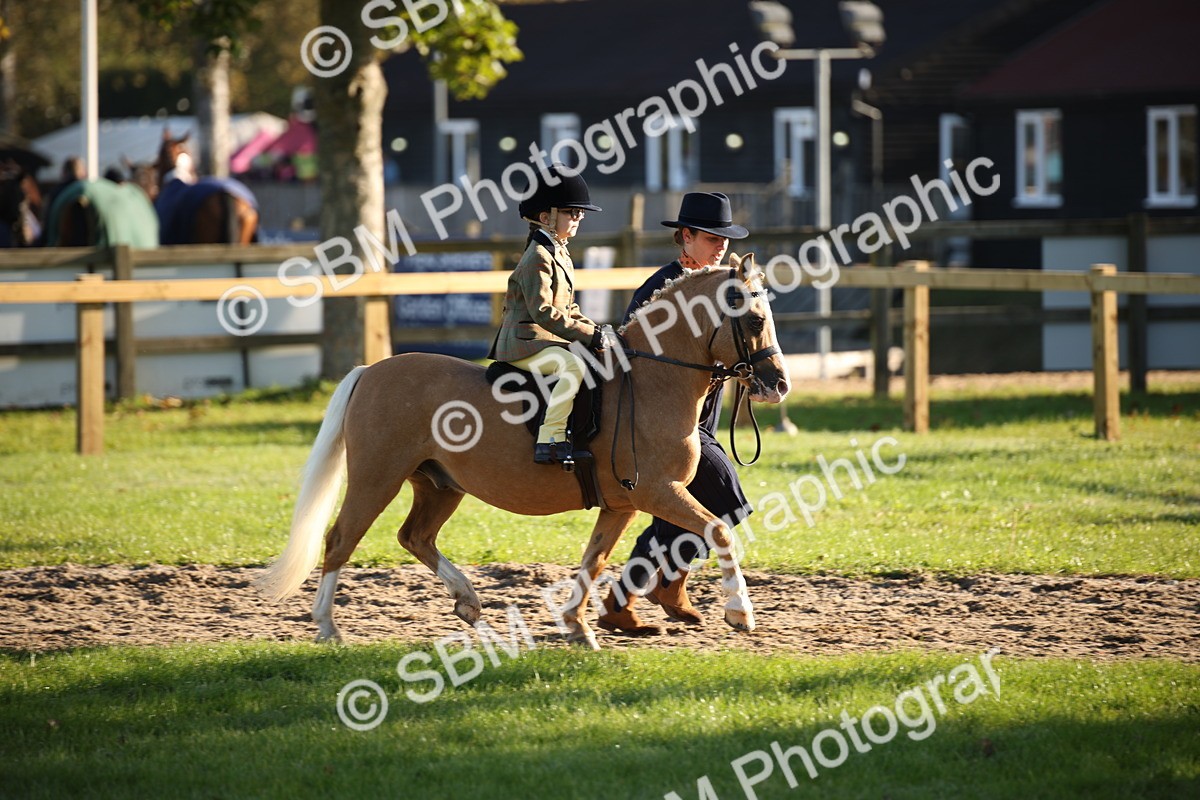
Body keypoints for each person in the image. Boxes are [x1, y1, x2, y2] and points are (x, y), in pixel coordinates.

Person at [598, 191, 754, 634]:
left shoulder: (726, 289)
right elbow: (632, 354)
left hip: (698, 421)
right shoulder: (661, 289)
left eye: (724, 239)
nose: (720, 245)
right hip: (660, 426)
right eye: (710, 237)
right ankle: (649, 588)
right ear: (685, 237)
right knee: (724, 498)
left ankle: (646, 590)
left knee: (686, 508)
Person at [488, 163, 616, 464]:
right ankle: (551, 436)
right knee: (572, 366)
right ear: (546, 217)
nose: (579, 218)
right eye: (573, 212)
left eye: (579, 213)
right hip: (523, 342)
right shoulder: (538, 256)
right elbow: (543, 312)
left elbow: (568, 308)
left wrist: (599, 331)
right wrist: (588, 335)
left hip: (542, 339)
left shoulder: (559, 251)